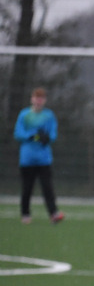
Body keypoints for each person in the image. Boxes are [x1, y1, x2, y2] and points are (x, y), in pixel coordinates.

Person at [14, 87, 63, 224]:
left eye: (41, 98)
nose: (38, 101)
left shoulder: (49, 116)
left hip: (44, 159)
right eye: (36, 98)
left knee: (47, 187)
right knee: (27, 188)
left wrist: (46, 138)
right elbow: (18, 134)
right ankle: (25, 214)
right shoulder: (24, 115)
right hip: (27, 159)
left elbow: (52, 135)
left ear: (44, 101)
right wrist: (33, 137)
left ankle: (53, 214)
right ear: (32, 99)